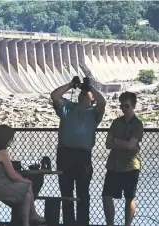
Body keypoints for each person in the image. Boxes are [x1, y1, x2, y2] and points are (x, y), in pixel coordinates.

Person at [50, 74, 106, 225]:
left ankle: (83, 222)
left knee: (83, 192)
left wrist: (90, 87)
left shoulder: (93, 112)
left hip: (83, 155)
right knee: (66, 192)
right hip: (65, 154)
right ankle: (68, 222)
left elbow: (102, 102)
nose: (83, 91)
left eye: (87, 92)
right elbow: (54, 96)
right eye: (83, 90)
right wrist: (70, 85)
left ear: (92, 98)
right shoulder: (68, 107)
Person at [0, 124, 46, 226]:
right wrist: (25, 180)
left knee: (27, 195)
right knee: (28, 186)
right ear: (5, 138)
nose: (12, 141)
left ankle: (27, 222)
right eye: (11, 138)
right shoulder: (3, 153)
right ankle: (33, 215)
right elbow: (12, 175)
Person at [103, 92, 144, 226]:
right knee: (106, 196)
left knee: (129, 197)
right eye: (122, 105)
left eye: (126, 106)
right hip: (114, 164)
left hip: (131, 165)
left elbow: (131, 145)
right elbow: (108, 144)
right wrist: (123, 143)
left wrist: (116, 141)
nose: (123, 108)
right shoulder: (116, 122)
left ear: (133, 106)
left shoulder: (137, 124)